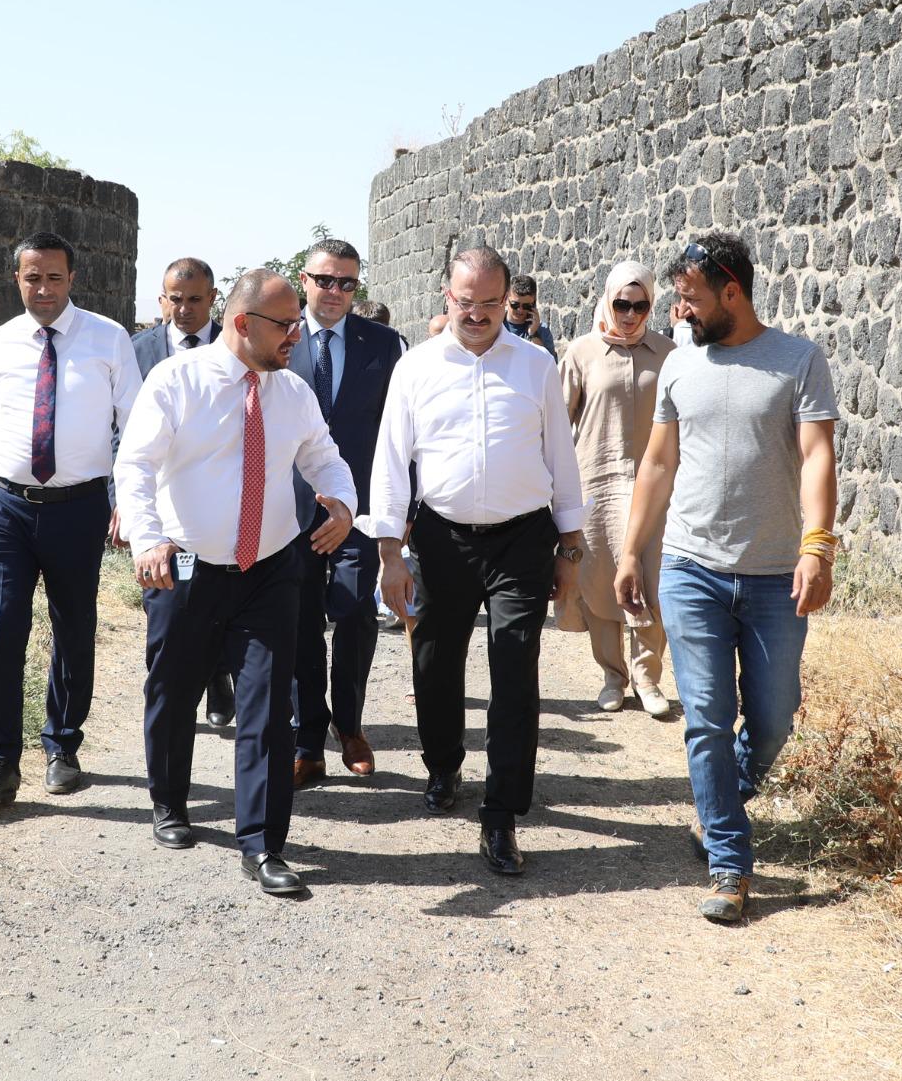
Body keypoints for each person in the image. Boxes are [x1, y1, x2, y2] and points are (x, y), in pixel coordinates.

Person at [616, 230, 839, 926]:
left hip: (774, 576)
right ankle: (730, 862)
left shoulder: (798, 360)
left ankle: (720, 804)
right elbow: (658, 463)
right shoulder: (680, 365)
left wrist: (818, 548)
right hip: (691, 569)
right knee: (707, 719)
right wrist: (631, 551)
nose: (679, 311)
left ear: (732, 293)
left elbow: (817, 456)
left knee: (773, 719)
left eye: (690, 298)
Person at [115, 269, 356, 897]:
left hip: (269, 570)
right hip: (185, 566)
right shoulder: (176, 381)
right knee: (174, 691)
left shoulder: (293, 392)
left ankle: (263, 844)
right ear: (244, 323)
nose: (297, 335)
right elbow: (135, 465)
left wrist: (342, 503)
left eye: (298, 324)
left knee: (268, 706)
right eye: (286, 325)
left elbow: (323, 457)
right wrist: (147, 539)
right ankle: (169, 803)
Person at [369, 246, 584, 877]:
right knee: (435, 661)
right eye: (467, 302)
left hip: (523, 539)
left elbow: (561, 459)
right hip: (443, 538)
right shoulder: (415, 367)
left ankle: (501, 813)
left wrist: (570, 549)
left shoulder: (537, 365)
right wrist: (390, 554)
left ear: (506, 301)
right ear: (448, 297)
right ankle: (443, 765)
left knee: (515, 664)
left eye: (491, 303)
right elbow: (391, 461)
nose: (479, 314)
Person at [0, 231, 141, 811]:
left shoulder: (108, 338)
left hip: (79, 508)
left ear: (72, 279)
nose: (44, 289)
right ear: (17, 279)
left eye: (55, 277)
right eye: (33, 278)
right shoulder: (1, 341)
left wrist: (130, 500)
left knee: (73, 626)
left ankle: (62, 746)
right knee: (3, 626)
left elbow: (135, 426)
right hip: (4, 506)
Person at [285, 239, 403, 784]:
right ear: (304, 280)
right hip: (291, 510)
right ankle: (307, 736)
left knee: (356, 612)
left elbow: (398, 432)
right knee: (300, 620)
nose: (335, 291)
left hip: (358, 508)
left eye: (347, 283)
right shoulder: (279, 337)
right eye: (325, 280)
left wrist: (400, 509)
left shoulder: (383, 344)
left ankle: (349, 725)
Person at [557, 261, 678, 717]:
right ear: (608, 300)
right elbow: (557, 423)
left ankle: (648, 678)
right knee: (600, 582)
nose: (630, 314)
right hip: (597, 485)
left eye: (640, 306)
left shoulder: (667, 354)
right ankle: (613, 676)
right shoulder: (582, 353)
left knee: (653, 577)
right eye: (622, 304)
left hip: (655, 487)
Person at [132, 256, 236, 731]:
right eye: (175, 299)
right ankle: (168, 696)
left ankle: (217, 677)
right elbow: (122, 430)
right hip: (156, 498)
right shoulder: (139, 351)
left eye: (195, 299)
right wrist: (123, 499)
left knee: (214, 597)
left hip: (215, 499)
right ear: (162, 299)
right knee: (165, 601)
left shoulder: (233, 349)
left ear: (213, 299)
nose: (184, 309)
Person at [503, 275, 556, 356]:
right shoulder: (496, 326)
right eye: (515, 305)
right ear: (506, 299)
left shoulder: (542, 331)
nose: (520, 310)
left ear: (533, 304)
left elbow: (549, 362)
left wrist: (533, 334)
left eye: (526, 306)